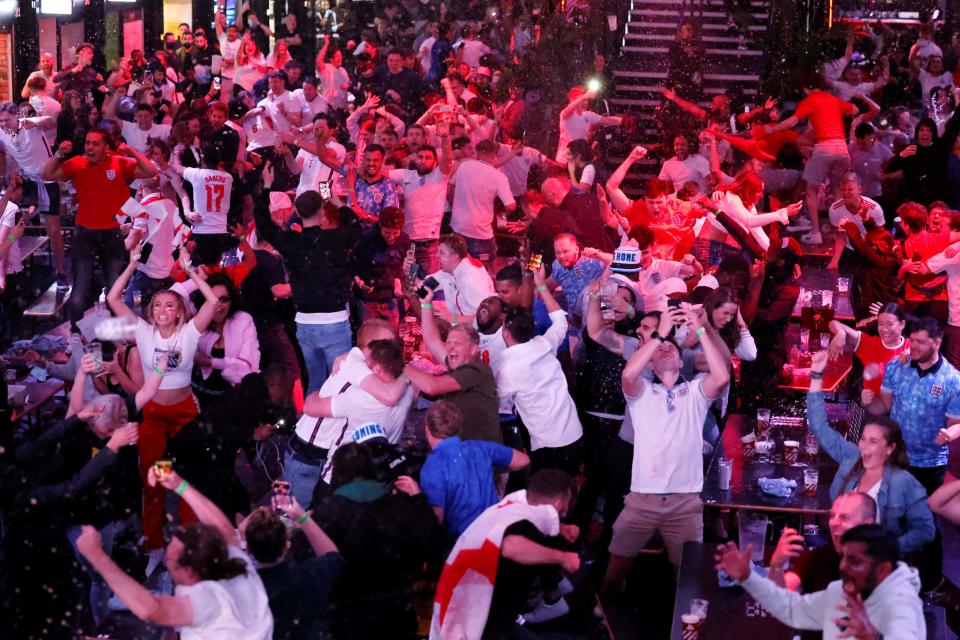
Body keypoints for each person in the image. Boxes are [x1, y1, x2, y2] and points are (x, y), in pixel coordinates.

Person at [602, 303, 730, 591]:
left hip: (685, 505)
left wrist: (700, 328)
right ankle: (604, 620)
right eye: (660, 350)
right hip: (641, 502)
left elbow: (722, 375)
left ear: (681, 357)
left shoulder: (695, 393)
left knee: (688, 581)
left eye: (672, 347)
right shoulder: (643, 393)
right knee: (614, 573)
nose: (666, 349)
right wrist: (659, 336)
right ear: (650, 365)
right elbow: (627, 375)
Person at [106, 244, 220, 563]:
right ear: (151, 311)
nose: (163, 310)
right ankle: (153, 540)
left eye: (170, 305)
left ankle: (189, 540)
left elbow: (211, 300)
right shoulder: (143, 332)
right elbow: (114, 299)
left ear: (180, 311)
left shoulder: (189, 333)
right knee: (153, 477)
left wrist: (190, 271)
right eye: (158, 305)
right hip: (154, 414)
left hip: (184, 412)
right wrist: (131, 265)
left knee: (187, 477)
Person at [75, 468, 273, 639]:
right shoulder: (236, 561)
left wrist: (97, 556)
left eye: (169, 560)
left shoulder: (207, 600)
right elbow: (223, 527)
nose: (166, 564)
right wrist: (179, 484)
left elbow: (152, 609)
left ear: (189, 572)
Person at [807, 350, 935, 555]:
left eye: (873, 441)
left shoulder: (904, 482)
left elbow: (926, 530)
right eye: (863, 439)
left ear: (890, 448)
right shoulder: (852, 457)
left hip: (878, 563)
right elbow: (818, 426)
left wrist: (888, 549)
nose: (864, 446)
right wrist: (816, 376)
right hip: (842, 551)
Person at [430, 469, 581, 639]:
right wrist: (563, 558)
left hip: (461, 599)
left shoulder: (513, 505)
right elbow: (511, 546)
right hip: (479, 617)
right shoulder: (526, 524)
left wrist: (560, 529)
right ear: (560, 503)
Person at [254, 163, 360, 393]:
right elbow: (356, 227)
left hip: (305, 323)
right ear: (322, 213)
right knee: (340, 384)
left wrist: (267, 186)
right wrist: (339, 201)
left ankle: (311, 426)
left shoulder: (291, 242)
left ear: (298, 213)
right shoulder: (335, 239)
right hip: (334, 321)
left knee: (316, 381)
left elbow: (262, 221)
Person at [715, 524, 925, 639]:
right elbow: (792, 609)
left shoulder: (903, 606)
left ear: (883, 570)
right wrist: (747, 577)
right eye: (843, 557)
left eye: (854, 561)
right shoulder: (840, 592)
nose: (842, 566)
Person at [41, 131, 157, 326]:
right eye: (87, 143)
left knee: (113, 289)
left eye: (95, 144)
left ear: (105, 147)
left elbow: (151, 171)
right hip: (84, 233)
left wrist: (130, 150)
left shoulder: (119, 162)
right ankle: (76, 335)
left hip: (112, 233)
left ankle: (111, 339)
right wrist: (59, 154)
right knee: (80, 288)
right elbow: (47, 174)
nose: (90, 148)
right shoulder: (77, 163)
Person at [497, 266, 583, 474]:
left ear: (506, 333)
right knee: (568, 491)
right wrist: (542, 286)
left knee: (546, 496)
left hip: (548, 445)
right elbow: (561, 321)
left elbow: (501, 407)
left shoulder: (508, 370)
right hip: (574, 433)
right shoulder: (545, 345)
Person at [763, 73, 859, 245]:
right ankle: (841, 232)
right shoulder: (832, 98)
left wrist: (773, 129)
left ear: (805, 88)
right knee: (839, 190)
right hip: (842, 148)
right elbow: (854, 110)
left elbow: (792, 122)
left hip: (824, 148)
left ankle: (815, 232)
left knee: (811, 190)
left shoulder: (810, 100)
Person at [419, 400, 529, 538]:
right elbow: (523, 460)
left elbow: (437, 517)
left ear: (427, 430)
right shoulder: (480, 447)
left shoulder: (432, 466)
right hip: (495, 534)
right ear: (460, 429)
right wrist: (494, 469)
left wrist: (415, 494)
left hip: (462, 543)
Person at [404, 284, 500, 443]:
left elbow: (432, 386)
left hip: (482, 451)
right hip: (464, 446)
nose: (450, 346)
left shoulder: (477, 370)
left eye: (457, 343)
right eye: (448, 342)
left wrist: (403, 366)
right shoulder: (459, 363)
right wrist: (426, 303)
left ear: (474, 349)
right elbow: (432, 339)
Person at [241, 496, 341, 640]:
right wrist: (301, 515)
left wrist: (240, 534)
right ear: (286, 545)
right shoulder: (310, 575)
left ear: (248, 549)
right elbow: (332, 556)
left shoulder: (245, 589)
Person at [0, 103, 67, 287]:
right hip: (25, 177)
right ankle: (6, 265)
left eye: (7, 119)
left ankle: (61, 272)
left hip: (46, 178)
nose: (4, 123)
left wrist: (35, 122)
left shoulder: (28, 123)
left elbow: (50, 121)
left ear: (16, 117)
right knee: (4, 205)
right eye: (1, 120)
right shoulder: (2, 131)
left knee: (52, 227)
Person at [768, 492, 877, 593]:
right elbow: (780, 595)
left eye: (845, 517)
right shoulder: (818, 557)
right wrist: (776, 565)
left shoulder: (884, 569)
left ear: (866, 525)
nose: (833, 523)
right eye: (832, 516)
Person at [448, 139, 516, 262]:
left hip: (457, 227)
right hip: (481, 234)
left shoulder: (464, 167)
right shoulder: (498, 177)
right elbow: (510, 206)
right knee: (481, 271)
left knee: (456, 268)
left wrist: (453, 204)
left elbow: (450, 186)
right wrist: (500, 213)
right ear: (495, 154)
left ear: (477, 152)